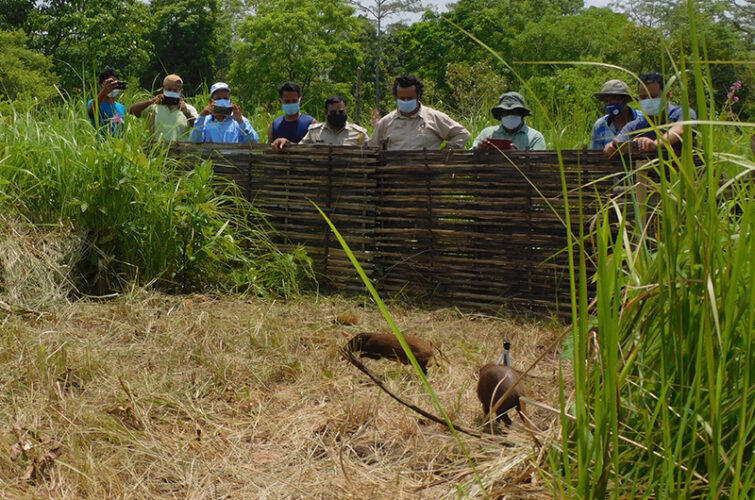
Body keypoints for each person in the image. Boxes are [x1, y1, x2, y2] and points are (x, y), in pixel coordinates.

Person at [604, 72, 697, 157]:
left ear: (667, 96)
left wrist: (655, 144)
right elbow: (619, 140)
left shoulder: (683, 113)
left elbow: (681, 129)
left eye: (653, 96)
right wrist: (611, 147)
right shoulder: (636, 126)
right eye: (643, 97)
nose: (648, 100)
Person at [368, 74, 470, 150]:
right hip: (395, 175)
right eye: (402, 98)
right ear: (396, 97)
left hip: (428, 175)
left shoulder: (434, 118)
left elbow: (462, 134)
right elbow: (372, 147)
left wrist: (446, 151)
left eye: (410, 98)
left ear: (418, 96)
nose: (406, 101)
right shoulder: (386, 122)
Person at [129, 74, 198, 141]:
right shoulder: (154, 107)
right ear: (163, 89)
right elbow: (132, 110)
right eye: (169, 89)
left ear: (181, 91)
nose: (172, 92)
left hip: (180, 150)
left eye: (175, 90)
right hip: (157, 150)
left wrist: (186, 113)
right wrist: (151, 101)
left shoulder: (188, 108)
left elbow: (198, 128)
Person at [471, 92, 546, 151]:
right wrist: (479, 149)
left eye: (515, 112)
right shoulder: (487, 134)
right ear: (501, 115)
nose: (510, 115)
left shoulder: (535, 137)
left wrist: (518, 155)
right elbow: (470, 154)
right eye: (506, 112)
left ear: (522, 114)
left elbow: (539, 162)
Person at [190, 82, 259, 144]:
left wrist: (241, 122)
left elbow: (254, 141)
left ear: (230, 100)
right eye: (218, 99)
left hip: (235, 157)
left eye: (225, 98)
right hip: (211, 157)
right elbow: (195, 140)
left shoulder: (240, 121)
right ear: (211, 102)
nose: (222, 101)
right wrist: (202, 116)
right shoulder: (205, 121)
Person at [590, 80, 643, 150]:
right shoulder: (600, 125)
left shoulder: (642, 119)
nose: (609, 104)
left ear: (625, 100)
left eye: (614, 99)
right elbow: (595, 155)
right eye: (606, 101)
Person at [299, 95, 369, 146]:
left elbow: (371, 152)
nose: (338, 114)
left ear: (346, 111)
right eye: (333, 112)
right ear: (326, 112)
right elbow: (300, 150)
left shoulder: (359, 134)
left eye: (341, 112)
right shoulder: (314, 132)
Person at [269, 81, 315, 150]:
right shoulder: (274, 125)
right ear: (280, 102)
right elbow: (269, 151)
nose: (291, 104)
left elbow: (316, 150)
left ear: (300, 100)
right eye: (287, 101)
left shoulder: (311, 124)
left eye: (294, 101)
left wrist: (289, 145)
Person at [88, 67, 127, 136]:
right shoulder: (94, 103)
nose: (113, 87)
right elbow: (92, 111)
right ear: (101, 85)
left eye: (115, 84)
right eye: (110, 84)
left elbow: (122, 131)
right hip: (101, 145)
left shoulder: (121, 107)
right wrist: (104, 92)